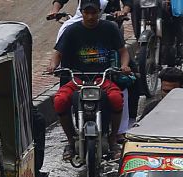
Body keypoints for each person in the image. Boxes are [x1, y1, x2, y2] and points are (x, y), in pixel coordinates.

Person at [48, 0, 132, 161]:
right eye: (87, 12)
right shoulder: (72, 30)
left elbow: (124, 52)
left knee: (116, 98)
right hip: (77, 79)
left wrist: (124, 66)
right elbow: (57, 54)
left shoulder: (110, 28)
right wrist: (53, 66)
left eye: (94, 13)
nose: (91, 16)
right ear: (81, 11)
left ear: (99, 11)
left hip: (103, 78)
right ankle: (71, 142)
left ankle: (113, 139)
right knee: (59, 100)